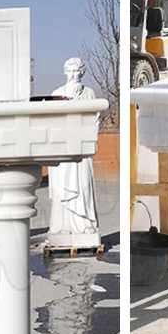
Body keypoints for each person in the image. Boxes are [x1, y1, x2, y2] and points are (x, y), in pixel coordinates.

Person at [48, 58, 100, 238]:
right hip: (63, 150)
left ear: (82, 72)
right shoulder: (56, 93)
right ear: (65, 72)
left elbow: (95, 118)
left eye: (77, 70)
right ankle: (63, 227)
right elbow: (53, 122)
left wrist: (85, 137)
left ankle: (85, 223)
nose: (73, 74)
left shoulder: (89, 93)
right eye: (70, 70)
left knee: (83, 186)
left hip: (82, 149)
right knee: (62, 188)